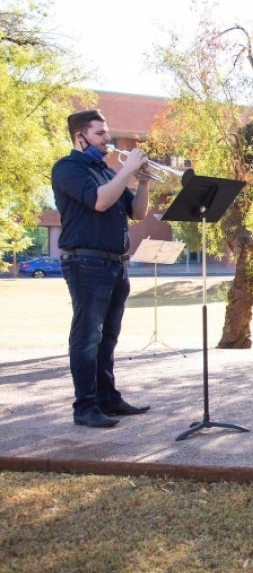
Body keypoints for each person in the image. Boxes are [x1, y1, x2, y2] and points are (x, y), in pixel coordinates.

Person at [51, 109, 154, 428]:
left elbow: (136, 212)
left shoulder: (108, 172)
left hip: (115, 262)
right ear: (79, 137)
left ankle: (108, 398)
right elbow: (99, 202)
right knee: (87, 336)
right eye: (100, 134)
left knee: (108, 336)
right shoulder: (68, 168)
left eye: (107, 132)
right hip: (85, 261)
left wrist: (143, 183)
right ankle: (85, 407)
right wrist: (127, 172)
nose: (107, 139)